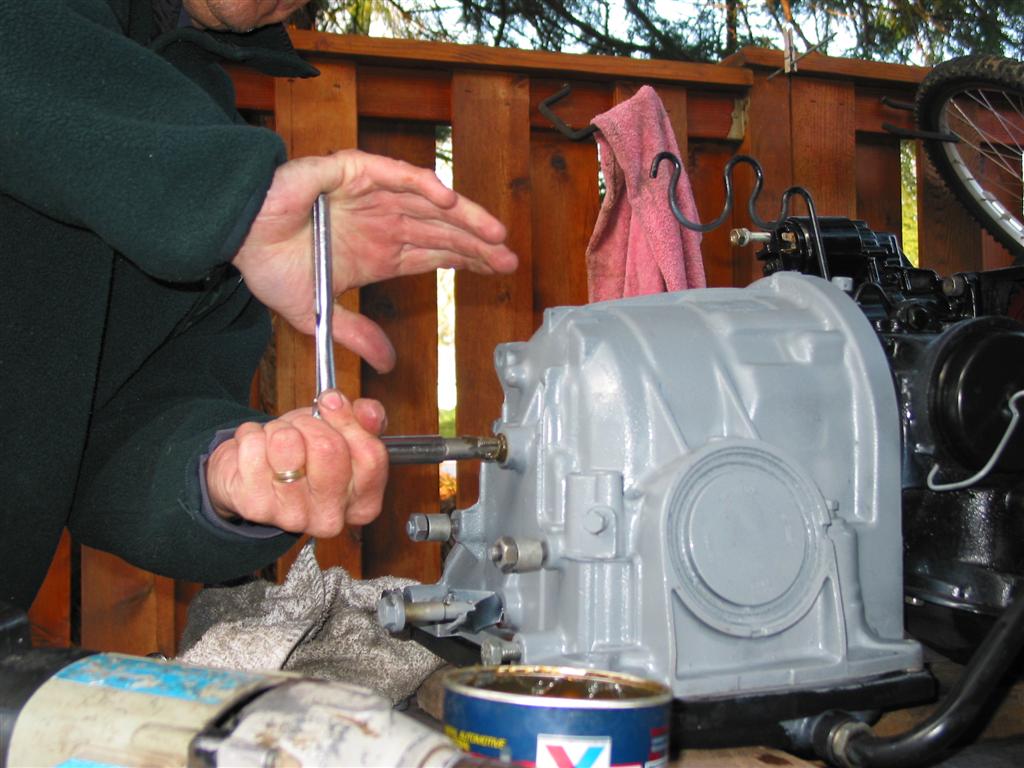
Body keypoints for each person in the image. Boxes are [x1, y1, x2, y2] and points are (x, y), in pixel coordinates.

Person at [0, 0, 517, 610]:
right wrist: (225, 194)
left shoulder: (209, 122)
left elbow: (116, 436)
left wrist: (222, 477)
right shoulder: (214, 166)